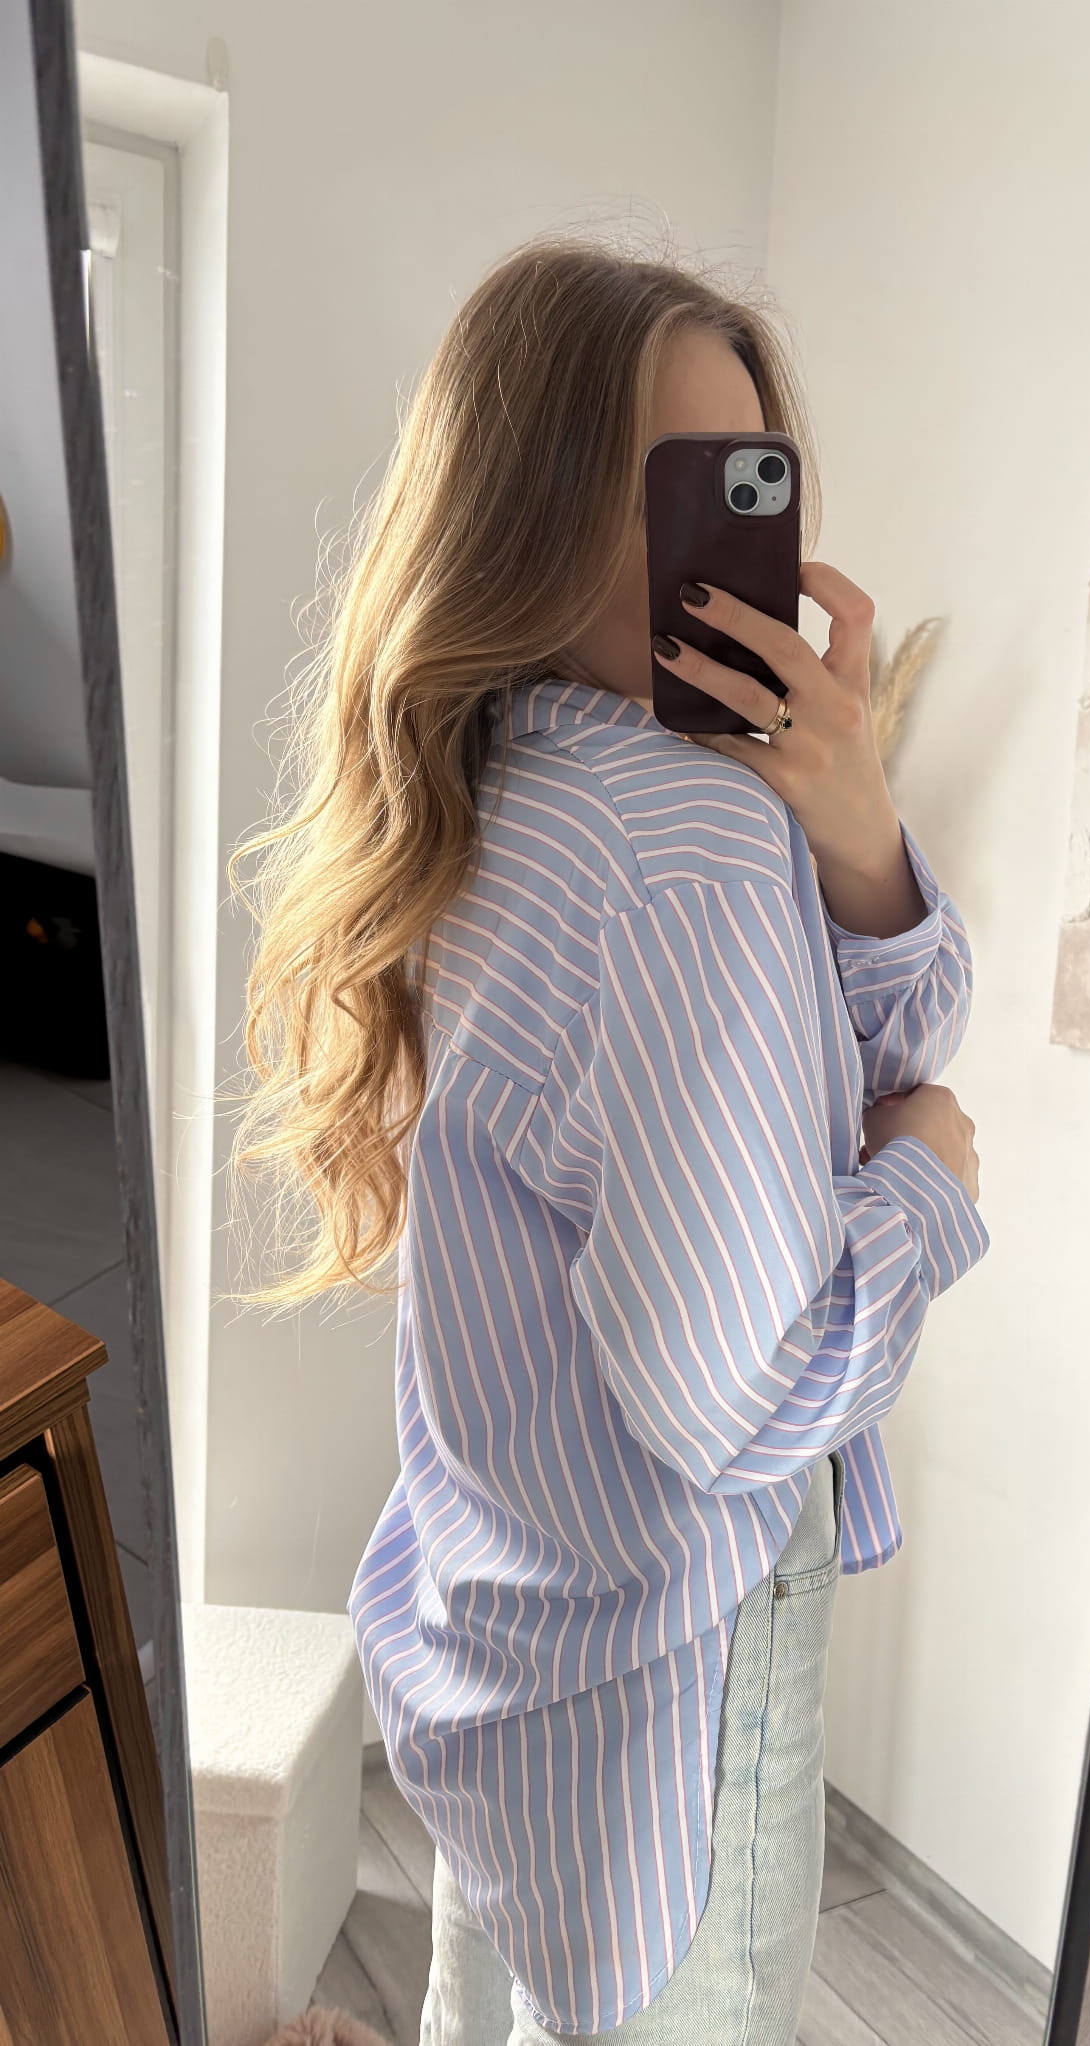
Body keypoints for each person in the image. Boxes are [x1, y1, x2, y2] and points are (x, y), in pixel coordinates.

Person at [227, 232, 988, 2045]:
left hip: (505, 1624)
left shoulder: (483, 789)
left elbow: (856, 1053)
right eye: (669, 485)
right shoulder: (681, 840)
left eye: (747, 484)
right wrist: (928, 1186)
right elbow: (748, 1391)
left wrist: (855, 833)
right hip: (670, 1657)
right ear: (526, 507)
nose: (716, 543)